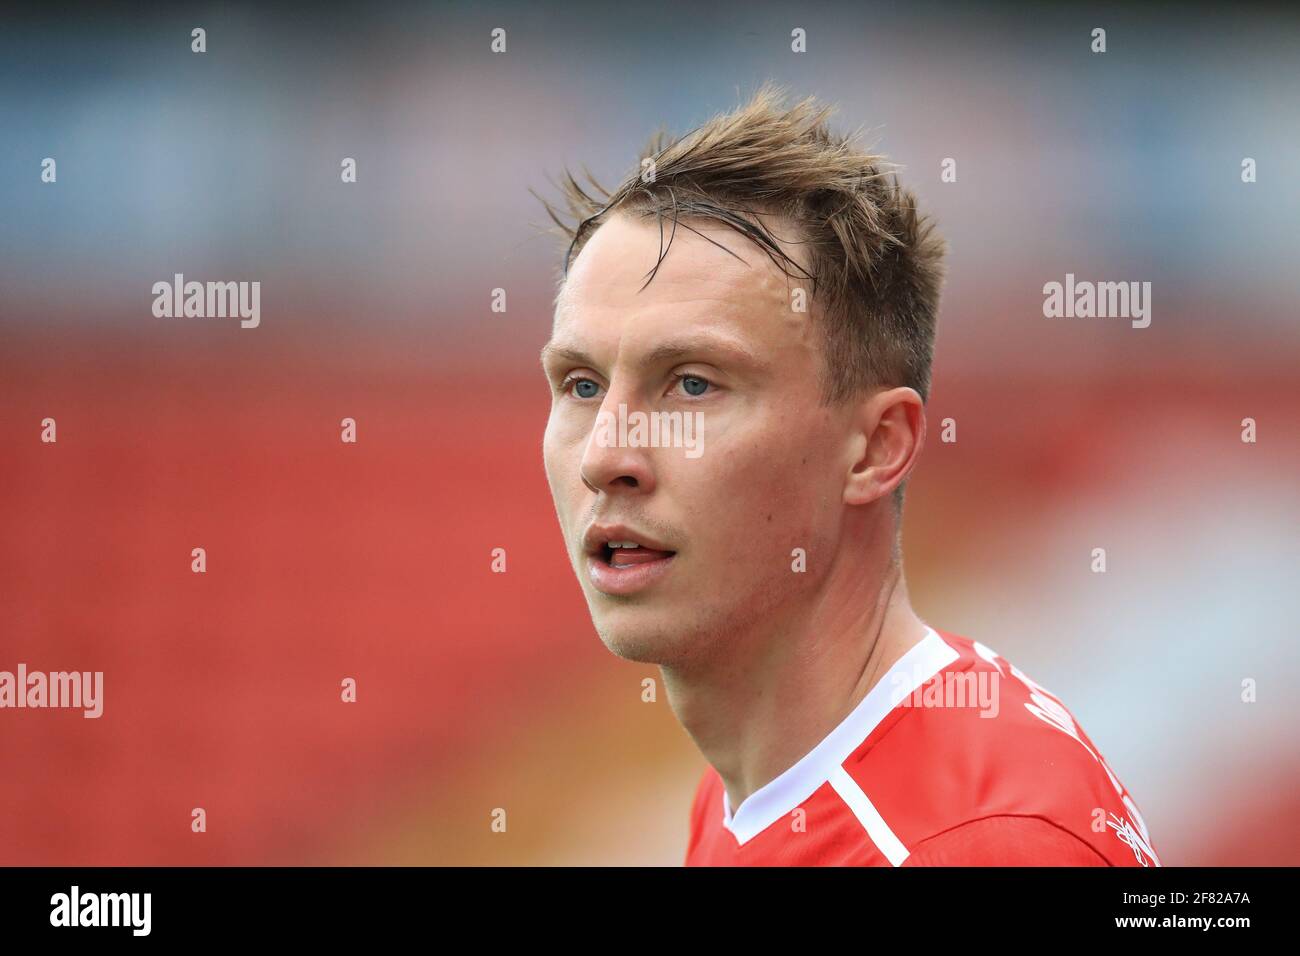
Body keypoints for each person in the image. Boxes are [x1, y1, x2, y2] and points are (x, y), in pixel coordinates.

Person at [536, 86, 1159, 866]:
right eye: (582, 386)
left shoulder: (984, 845)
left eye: (692, 384)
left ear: (874, 448)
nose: (604, 457)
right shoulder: (754, 786)